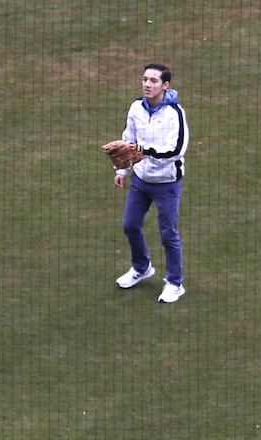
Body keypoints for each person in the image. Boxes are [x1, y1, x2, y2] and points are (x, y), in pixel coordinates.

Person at [113, 63, 190, 304]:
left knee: (168, 234)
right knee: (130, 225)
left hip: (167, 182)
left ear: (165, 85)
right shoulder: (136, 107)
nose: (147, 84)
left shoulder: (175, 113)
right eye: (145, 79)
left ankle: (175, 283)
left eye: (154, 81)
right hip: (140, 180)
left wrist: (146, 151)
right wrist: (122, 170)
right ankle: (141, 267)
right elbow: (128, 139)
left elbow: (176, 150)